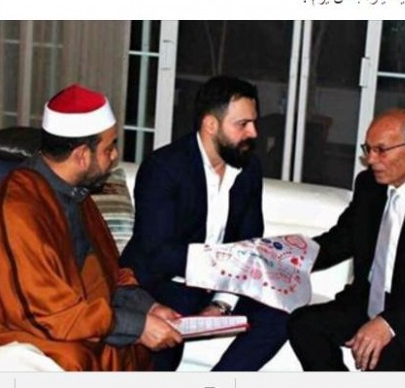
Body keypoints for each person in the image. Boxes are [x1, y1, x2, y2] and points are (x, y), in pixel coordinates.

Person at [0, 84, 182, 371]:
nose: (115, 155)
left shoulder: (72, 192)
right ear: (81, 156)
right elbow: (49, 313)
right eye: (109, 147)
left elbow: (106, 276)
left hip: (47, 314)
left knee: (144, 346)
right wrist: (138, 327)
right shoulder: (19, 206)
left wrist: (148, 308)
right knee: (77, 358)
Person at [120, 75, 289, 371]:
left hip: (219, 282)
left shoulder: (249, 168)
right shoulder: (163, 167)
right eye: (243, 124)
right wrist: (221, 268)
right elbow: (158, 253)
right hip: (165, 282)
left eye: (254, 123)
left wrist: (223, 302)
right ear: (211, 125)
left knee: (281, 315)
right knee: (164, 348)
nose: (253, 133)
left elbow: (249, 241)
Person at [288, 108, 405, 371]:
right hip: (367, 299)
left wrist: (389, 324)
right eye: (368, 149)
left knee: (380, 359)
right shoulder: (369, 185)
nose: (370, 159)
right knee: (303, 325)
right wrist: (288, 258)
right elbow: (341, 239)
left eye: (381, 150)